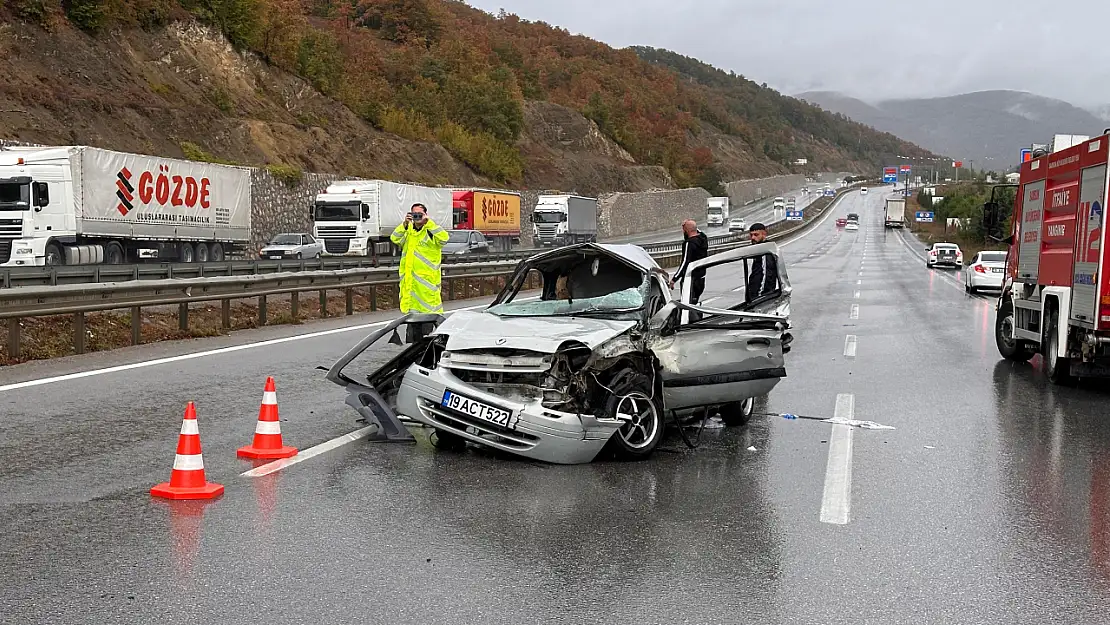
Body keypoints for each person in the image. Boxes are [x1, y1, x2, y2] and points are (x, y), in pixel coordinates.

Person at [390, 203, 449, 342]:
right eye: (414, 214)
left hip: (427, 294)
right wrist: (404, 223)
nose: (416, 217)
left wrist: (428, 222)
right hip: (411, 295)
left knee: (426, 340)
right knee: (413, 340)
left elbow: (444, 238)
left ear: (425, 215)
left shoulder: (430, 231)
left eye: (419, 214)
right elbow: (394, 238)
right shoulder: (409, 232)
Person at [669, 219, 708, 302]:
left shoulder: (689, 243)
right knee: (694, 302)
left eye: (684, 230)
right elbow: (699, 231)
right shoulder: (703, 239)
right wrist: (690, 224)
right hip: (701, 279)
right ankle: (696, 314)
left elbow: (685, 262)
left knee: (687, 304)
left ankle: (690, 315)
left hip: (691, 280)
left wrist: (674, 279)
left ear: (686, 230)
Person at [745, 222, 779, 303]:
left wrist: (759, 297)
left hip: (760, 297)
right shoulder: (760, 249)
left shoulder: (765, 251)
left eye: (756, 235)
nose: (753, 238)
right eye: (751, 235)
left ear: (764, 234)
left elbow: (766, 275)